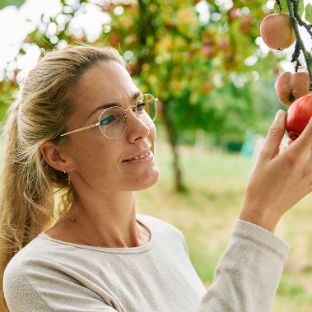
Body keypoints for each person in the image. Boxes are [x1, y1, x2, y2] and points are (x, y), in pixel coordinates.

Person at [1, 44, 312, 312]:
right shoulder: (39, 275)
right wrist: (261, 213)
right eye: (108, 119)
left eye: (138, 105)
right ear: (57, 155)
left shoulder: (166, 237)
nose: (141, 130)